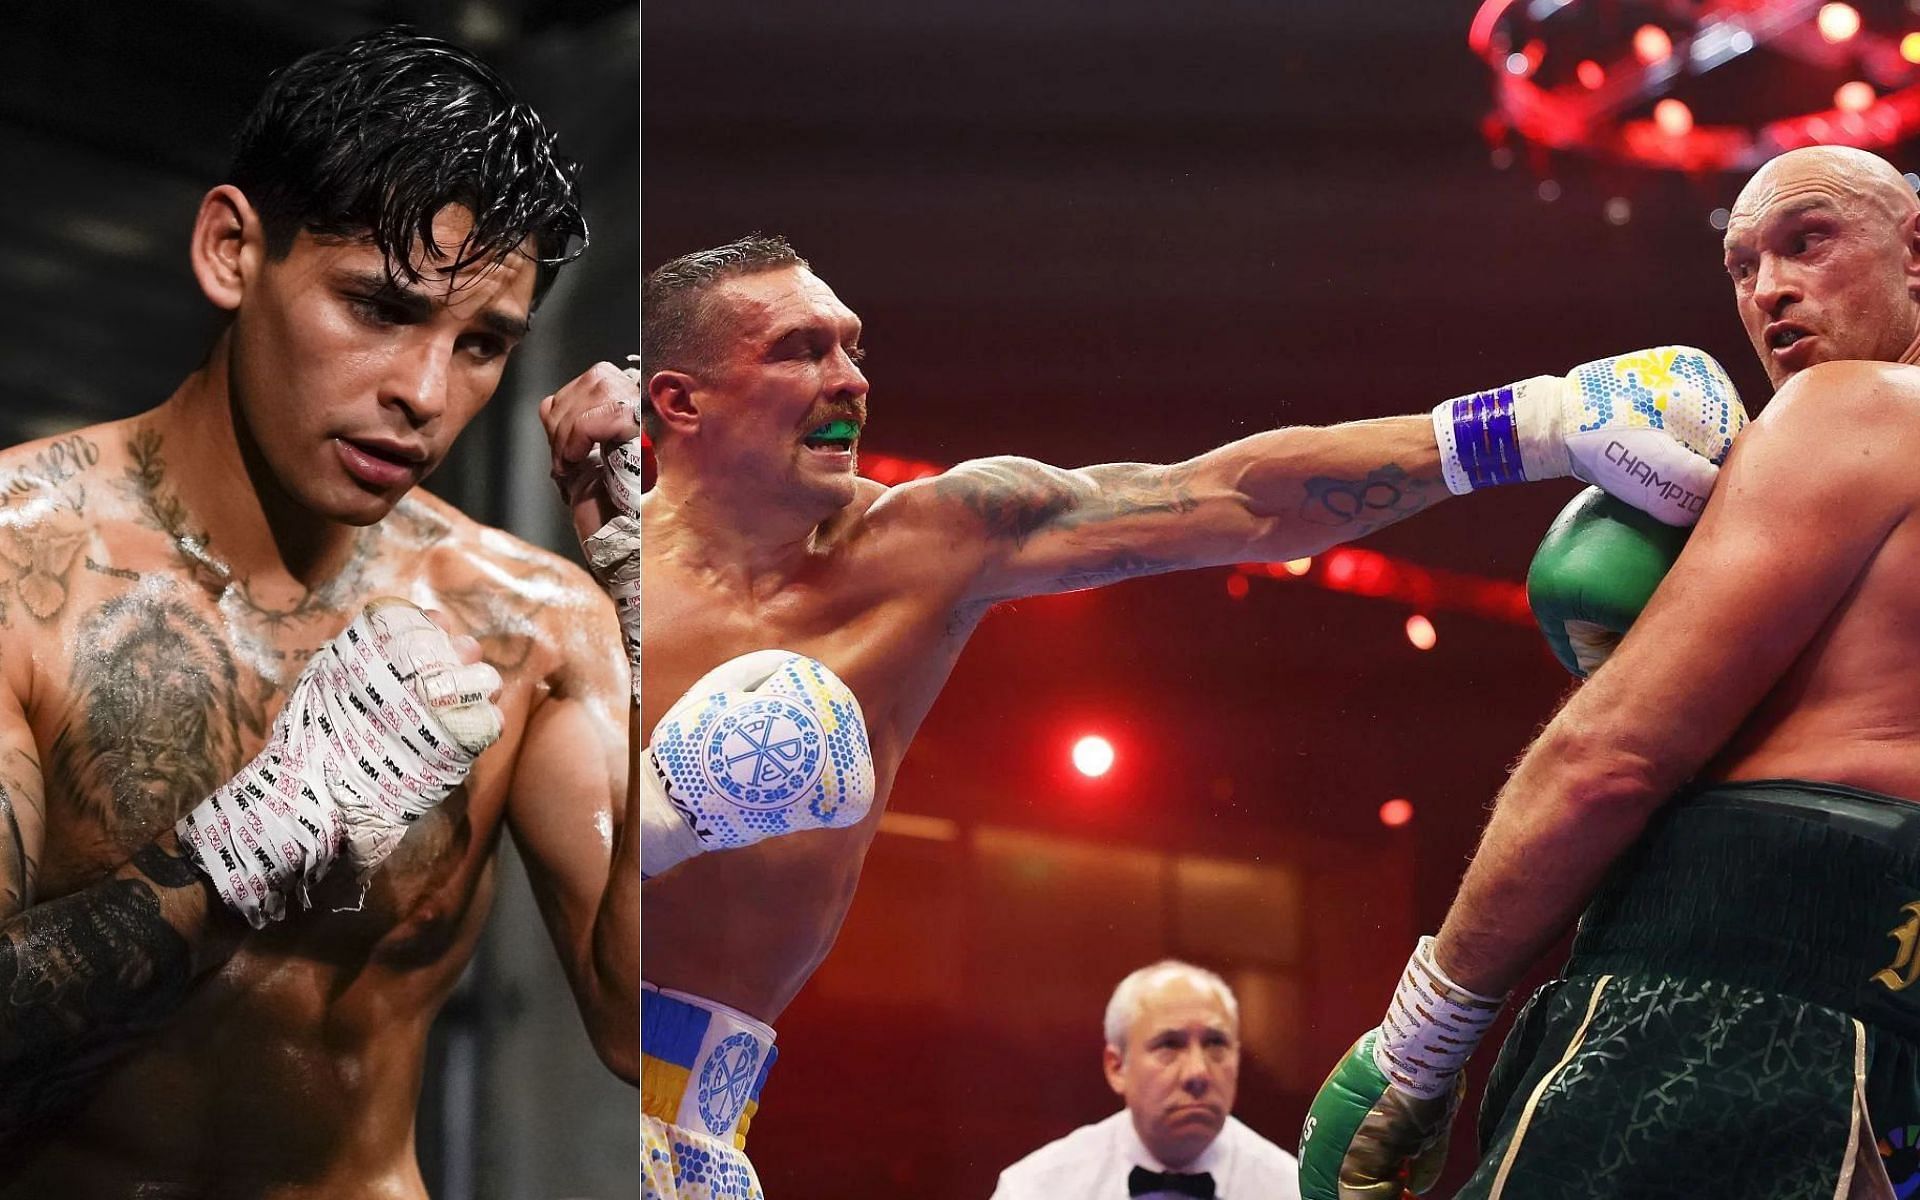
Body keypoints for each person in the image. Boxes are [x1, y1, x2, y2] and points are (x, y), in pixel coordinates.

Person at [540, 233, 1745, 1197]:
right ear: (682, 403)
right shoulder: (591, 574)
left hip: (694, 1131)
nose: (850, 378)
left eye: (852, 346)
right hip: (536, 1091)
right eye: (801, 350)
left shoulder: (934, 539)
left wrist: (1531, 424)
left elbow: (1230, 498)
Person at [0, 29, 641, 1198]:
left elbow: (640, 1033)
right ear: (232, 250)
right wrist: (237, 855)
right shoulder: (16, 570)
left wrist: (679, 612)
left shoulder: (533, 624)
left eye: (483, 343)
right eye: (380, 308)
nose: (426, 393)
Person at [1299, 144, 1920, 1199]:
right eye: (1741, 265)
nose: (1768, 287)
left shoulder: (1848, 410)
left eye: (1808, 240)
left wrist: (1417, 1047)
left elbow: (1609, 757)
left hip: (1722, 1011)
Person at [990, 960, 1299, 1200]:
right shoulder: (1036, 1189)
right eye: (1169, 1045)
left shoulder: (1292, 1190)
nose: (1198, 1073)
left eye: (1216, 1044)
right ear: (1116, 1068)